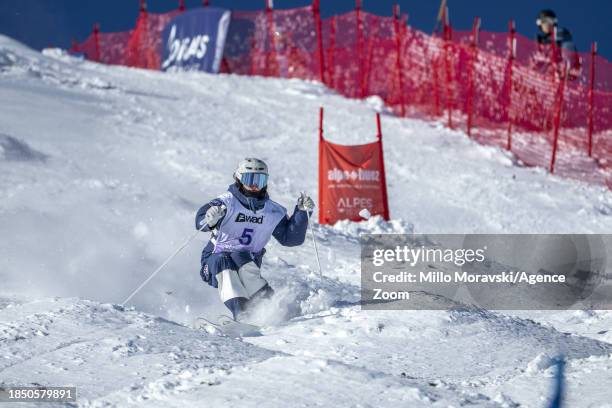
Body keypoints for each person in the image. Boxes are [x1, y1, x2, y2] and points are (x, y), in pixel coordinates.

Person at [195, 158, 315, 321]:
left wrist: (301, 213)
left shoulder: (273, 211)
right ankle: (242, 314)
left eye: (259, 180)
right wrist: (211, 218)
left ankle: (275, 311)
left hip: (247, 261)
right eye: (249, 179)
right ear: (238, 179)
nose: (254, 185)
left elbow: (290, 239)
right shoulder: (227, 202)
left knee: (240, 256)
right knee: (224, 258)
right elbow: (200, 222)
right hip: (213, 264)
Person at [532, 9, 580, 78]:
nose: (547, 24)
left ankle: (566, 69)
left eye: (550, 21)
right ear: (540, 24)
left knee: (568, 45)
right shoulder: (539, 40)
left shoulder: (561, 33)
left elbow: (568, 45)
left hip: (561, 65)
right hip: (545, 71)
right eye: (544, 21)